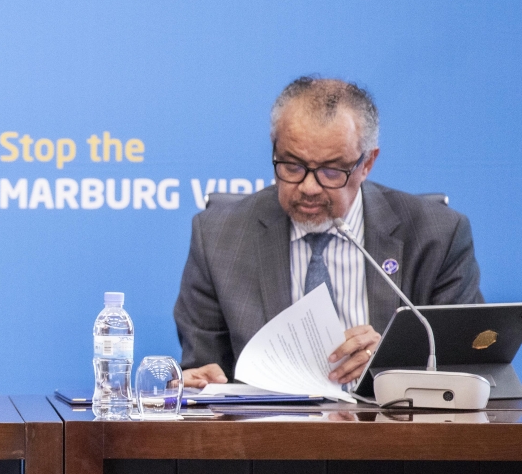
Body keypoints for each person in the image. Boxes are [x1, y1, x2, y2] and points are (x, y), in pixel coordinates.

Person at [174, 76, 482, 388]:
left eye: (331, 171)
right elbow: (206, 373)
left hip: (389, 429)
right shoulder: (218, 238)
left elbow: (466, 368)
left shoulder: (438, 236)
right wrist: (201, 384)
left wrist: (393, 362)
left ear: (367, 164)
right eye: (292, 166)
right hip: (265, 431)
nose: (308, 187)